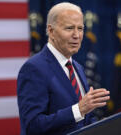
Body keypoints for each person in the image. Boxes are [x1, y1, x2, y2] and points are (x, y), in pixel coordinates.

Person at [17, 2, 110, 135]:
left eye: (80, 28)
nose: (76, 35)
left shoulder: (77, 67)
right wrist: (78, 110)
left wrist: (105, 125)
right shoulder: (34, 68)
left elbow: (84, 120)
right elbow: (32, 126)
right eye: (69, 28)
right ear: (51, 31)